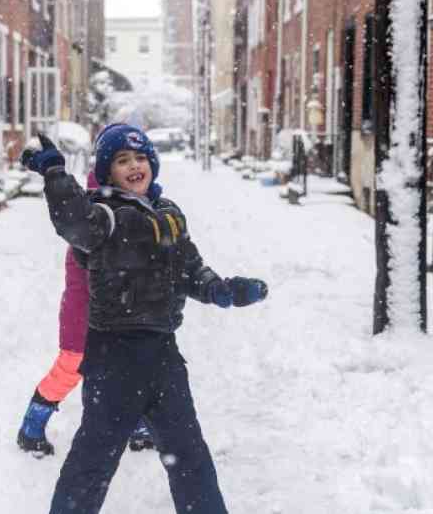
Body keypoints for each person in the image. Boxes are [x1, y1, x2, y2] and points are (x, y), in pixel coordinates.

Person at [22, 123, 268, 514]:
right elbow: (74, 222)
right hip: (114, 359)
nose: (134, 165)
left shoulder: (169, 215)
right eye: (122, 160)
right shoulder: (105, 215)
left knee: (190, 458)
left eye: (140, 157)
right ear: (107, 172)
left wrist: (224, 290)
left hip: (163, 358)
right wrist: (55, 175)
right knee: (92, 462)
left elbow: (190, 269)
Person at [16, 172, 155, 457]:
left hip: (118, 319)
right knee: (70, 370)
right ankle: (31, 427)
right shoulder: (90, 234)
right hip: (84, 320)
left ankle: (139, 426)